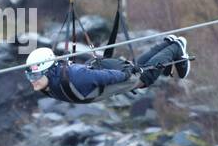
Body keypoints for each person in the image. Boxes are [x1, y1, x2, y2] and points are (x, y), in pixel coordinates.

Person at [24, 35, 190, 104]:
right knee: (137, 67)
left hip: (108, 74)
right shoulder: (49, 82)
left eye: (36, 75)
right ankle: (166, 44)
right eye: (30, 76)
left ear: (48, 70)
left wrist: (124, 75)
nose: (33, 80)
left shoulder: (74, 76)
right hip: (100, 74)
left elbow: (101, 76)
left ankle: (175, 47)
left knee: (143, 78)